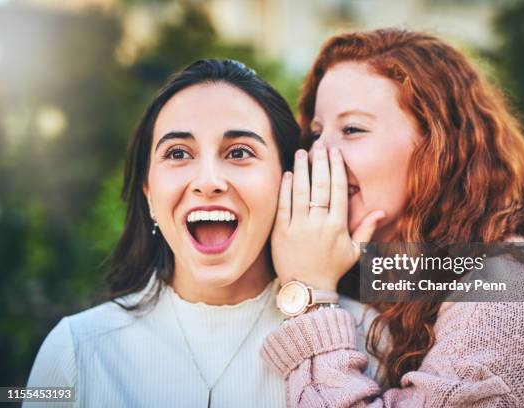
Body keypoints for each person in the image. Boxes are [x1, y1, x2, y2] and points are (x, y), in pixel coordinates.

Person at [262, 29, 524, 407]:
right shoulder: (377, 274)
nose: (316, 155)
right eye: (315, 133)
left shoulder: (520, 289)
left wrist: (311, 295)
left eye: (352, 129)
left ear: (438, 147)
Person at [24, 59, 380, 408]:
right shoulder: (75, 351)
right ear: (149, 194)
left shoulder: (369, 339)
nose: (208, 181)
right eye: (178, 153)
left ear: (287, 182)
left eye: (239, 152)